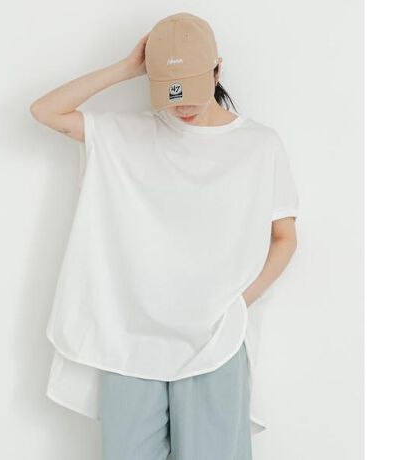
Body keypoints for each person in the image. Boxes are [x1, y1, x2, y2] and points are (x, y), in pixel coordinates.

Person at [30, 11, 299, 460]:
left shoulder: (259, 145)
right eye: (171, 92)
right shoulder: (126, 134)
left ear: (217, 69)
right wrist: (126, 68)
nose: (182, 105)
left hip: (215, 340)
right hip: (130, 339)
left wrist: (239, 302)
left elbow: (285, 237)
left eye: (190, 89)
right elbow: (44, 111)